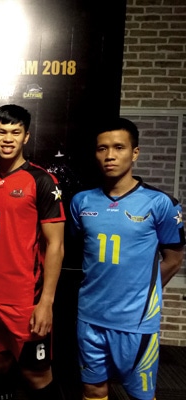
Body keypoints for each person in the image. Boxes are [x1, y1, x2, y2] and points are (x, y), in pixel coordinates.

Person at [70, 117, 185, 400]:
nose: (109, 155)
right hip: (90, 318)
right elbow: (78, 252)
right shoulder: (81, 201)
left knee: (140, 396)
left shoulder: (160, 203)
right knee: (92, 390)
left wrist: (142, 293)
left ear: (135, 152)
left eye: (119, 147)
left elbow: (173, 260)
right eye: (102, 148)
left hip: (136, 322)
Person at [0, 104, 65, 400]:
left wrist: (46, 302)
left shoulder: (41, 180)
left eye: (15, 132)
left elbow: (56, 245)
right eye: (1, 131)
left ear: (26, 136)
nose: (8, 138)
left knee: (36, 374)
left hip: (25, 300)